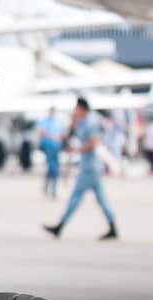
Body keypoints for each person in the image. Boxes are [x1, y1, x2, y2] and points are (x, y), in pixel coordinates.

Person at [44, 98, 118, 240]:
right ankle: (112, 226)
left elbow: (93, 143)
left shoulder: (91, 122)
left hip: (90, 169)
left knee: (75, 198)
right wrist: (73, 122)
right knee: (100, 199)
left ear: (81, 108)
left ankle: (60, 226)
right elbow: (70, 136)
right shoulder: (83, 122)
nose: (74, 111)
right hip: (89, 167)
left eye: (76, 108)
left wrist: (76, 150)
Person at [36, 109, 64, 197]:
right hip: (48, 146)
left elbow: (62, 134)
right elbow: (41, 132)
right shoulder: (44, 121)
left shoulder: (58, 122)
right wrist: (52, 136)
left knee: (52, 168)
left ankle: (47, 187)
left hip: (56, 146)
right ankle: (53, 190)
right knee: (53, 168)